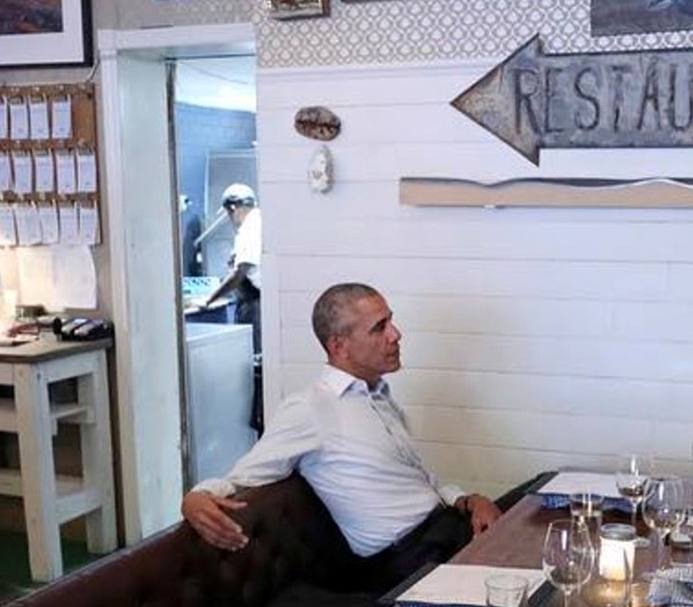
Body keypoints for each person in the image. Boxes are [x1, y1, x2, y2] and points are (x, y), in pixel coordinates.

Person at [181, 282, 503, 586]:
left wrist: (467, 500)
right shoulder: (310, 409)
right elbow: (243, 476)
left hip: (447, 527)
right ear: (339, 345)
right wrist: (196, 496)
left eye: (391, 322)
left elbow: (421, 483)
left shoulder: (378, 397)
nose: (395, 335)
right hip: (411, 561)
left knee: (544, 496)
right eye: (379, 328)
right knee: (536, 551)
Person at [194, 183, 262, 351]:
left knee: (254, 358)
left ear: (234, 208)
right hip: (257, 302)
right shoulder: (260, 220)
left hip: (255, 304)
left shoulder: (249, 229)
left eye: (229, 213)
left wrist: (209, 299)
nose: (230, 219)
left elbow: (239, 274)